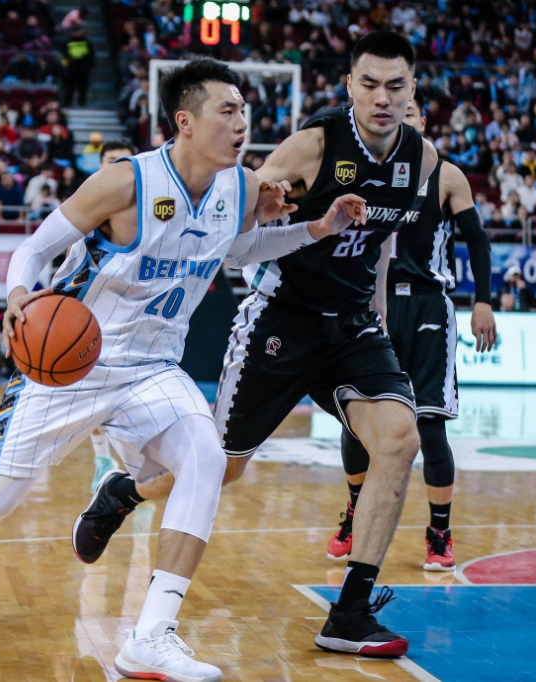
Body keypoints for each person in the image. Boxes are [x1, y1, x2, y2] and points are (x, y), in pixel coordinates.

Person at [0, 57, 367, 682]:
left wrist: (316, 228)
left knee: (206, 458)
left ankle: (151, 636)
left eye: (243, 111)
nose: (241, 123)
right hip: (71, 364)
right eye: (227, 111)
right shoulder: (125, 183)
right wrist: (18, 295)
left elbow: (242, 250)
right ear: (185, 121)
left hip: (152, 368)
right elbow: (35, 247)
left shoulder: (243, 188)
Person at [71, 32, 439, 659]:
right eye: (370, 84)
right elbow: (236, 203)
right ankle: (124, 492)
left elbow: (380, 245)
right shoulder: (314, 144)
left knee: (401, 440)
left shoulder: (422, 159)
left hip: (352, 326)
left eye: (395, 86)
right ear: (350, 87)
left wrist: (378, 315)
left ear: (412, 91)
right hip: (281, 320)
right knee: (223, 466)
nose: (383, 98)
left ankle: (349, 613)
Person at [328, 96, 496, 575]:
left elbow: (477, 240)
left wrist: (483, 301)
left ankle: (439, 533)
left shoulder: (447, 175)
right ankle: (356, 513)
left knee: (429, 424)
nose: (401, 119)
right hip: (371, 304)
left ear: (422, 121)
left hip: (427, 306)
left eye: (410, 113)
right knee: (355, 420)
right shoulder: (366, 172)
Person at [88, 139, 139, 493]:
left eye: (124, 161)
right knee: (92, 390)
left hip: (135, 308)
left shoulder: (147, 205)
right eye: (111, 160)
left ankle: (134, 466)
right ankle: (102, 460)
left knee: (128, 394)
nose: (117, 166)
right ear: (100, 165)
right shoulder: (87, 203)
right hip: (94, 307)